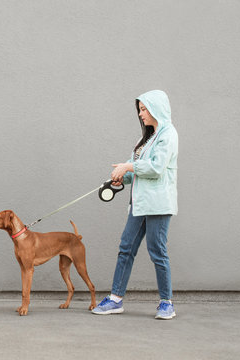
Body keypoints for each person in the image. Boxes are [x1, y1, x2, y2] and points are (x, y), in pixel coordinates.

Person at [91, 90, 178, 319]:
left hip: (158, 204)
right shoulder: (145, 138)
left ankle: (166, 303)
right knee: (126, 248)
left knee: (157, 251)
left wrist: (128, 168)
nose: (140, 114)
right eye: (139, 110)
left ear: (156, 107)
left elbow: (157, 168)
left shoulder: (168, 134)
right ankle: (116, 299)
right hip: (139, 204)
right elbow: (135, 169)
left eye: (143, 109)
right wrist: (120, 176)